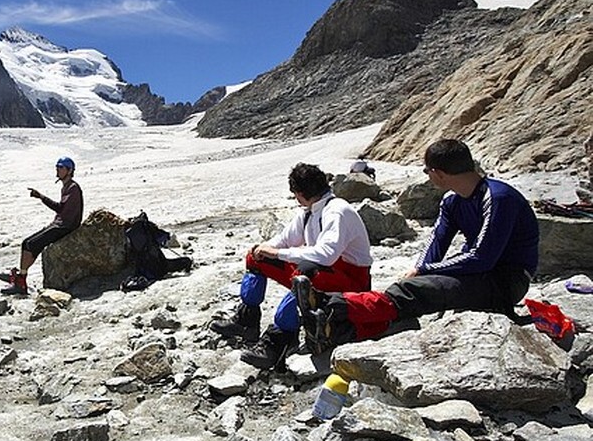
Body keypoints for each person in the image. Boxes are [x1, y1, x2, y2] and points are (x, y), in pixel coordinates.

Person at [293, 139, 539, 351]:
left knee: (423, 290)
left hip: (507, 279)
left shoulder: (498, 197)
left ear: (438, 173)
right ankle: (334, 331)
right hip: (479, 273)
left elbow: (482, 257)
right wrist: (418, 269)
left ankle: (330, 304)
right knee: (414, 289)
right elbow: (437, 240)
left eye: (426, 171)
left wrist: (425, 272)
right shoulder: (452, 200)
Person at [213, 163, 372, 370]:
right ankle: (246, 322)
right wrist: (264, 249)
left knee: (303, 274)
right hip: (329, 272)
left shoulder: (337, 211)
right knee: (256, 258)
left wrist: (278, 253)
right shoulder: (309, 211)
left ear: (299, 192)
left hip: (352, 281)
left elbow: (326, 255)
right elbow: (286, 239)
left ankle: (278, 341)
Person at [0, 157, 84, 296]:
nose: (57, 170)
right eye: (57, 167)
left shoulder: (73, 188)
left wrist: (41, 197)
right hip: (60, 224)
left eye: (61, 167)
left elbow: (60, 209)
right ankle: (20, 276)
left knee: (31, 244)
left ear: (69, 170)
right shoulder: (67, 187)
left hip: (65, 227)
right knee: (26, 243)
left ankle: (21, 282)